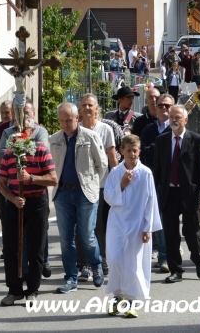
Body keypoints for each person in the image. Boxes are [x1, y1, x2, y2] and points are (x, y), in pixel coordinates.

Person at [0, 117, 58, 305]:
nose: (19, 132)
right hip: (16, 204)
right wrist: (13, 198)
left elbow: (53, 179)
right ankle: (14, 290)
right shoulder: (8, 154)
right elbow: (1, 184)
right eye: (16, 129)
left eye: (24, 129)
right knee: (11, 247)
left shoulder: (41, 151)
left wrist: (31, 178)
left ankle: (33, 289)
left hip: (37, 202)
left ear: (31, 132)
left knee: (36, 247)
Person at [49, 102, 108, 294]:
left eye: (69, 120)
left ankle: (96, 265)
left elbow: (102, 165)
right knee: (66, 239)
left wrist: (90, 184)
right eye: (62, 120)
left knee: (87, 236)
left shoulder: (90, 137)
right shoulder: (54, 139)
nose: (65, 124)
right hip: (63, 193)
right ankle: (71, 278)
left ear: (77, 118)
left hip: (86, 193)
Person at [104, 135, 162, 318]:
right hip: (117, 224)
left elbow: (150, 201)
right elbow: (107, 197)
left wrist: (148, 227)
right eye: (128, 150)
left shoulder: (146, 173)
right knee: (114, 259)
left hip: (137, 224)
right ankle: (117, 296)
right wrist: (122, 184)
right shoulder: (115, 173)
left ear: (139, 151)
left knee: (133, 262)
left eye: (135, 150)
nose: (132, 154)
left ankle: (131, 300)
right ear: (122, 151)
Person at [153, 106, 200, 283]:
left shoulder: (196, 139)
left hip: (189, 193)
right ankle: (176, 270)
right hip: (168, 193)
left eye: (177, 117)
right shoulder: (161, 140)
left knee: (191, 232)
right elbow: (156, 169)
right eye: (171, 117)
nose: (174, 120)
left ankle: (198, 262)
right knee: (171, 234)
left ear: (186, 120)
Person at [76, 94, 119, 280]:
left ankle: (102, 259)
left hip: (102, 185)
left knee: (101, 225)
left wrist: (116, 181)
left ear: (97, 109)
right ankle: (84, 263)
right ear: (79, 110)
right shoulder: (75, 130)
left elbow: (112, 157)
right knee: (83, 227)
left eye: (90, 105)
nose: (87, 108)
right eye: (84, 105)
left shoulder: (106, 129)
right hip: (80, 185)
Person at [139, 94, 173, 272]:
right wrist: (158, 148)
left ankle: (164, 258)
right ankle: (142, 257)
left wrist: (154, 149)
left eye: (167, 106)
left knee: (163, 220)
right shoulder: (148, 129)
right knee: (145, 219)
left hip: (167, 182)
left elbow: (172, 154)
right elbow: (142, 151)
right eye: (161, 106)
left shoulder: (174, 129)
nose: (164, 109)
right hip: (148, 180)